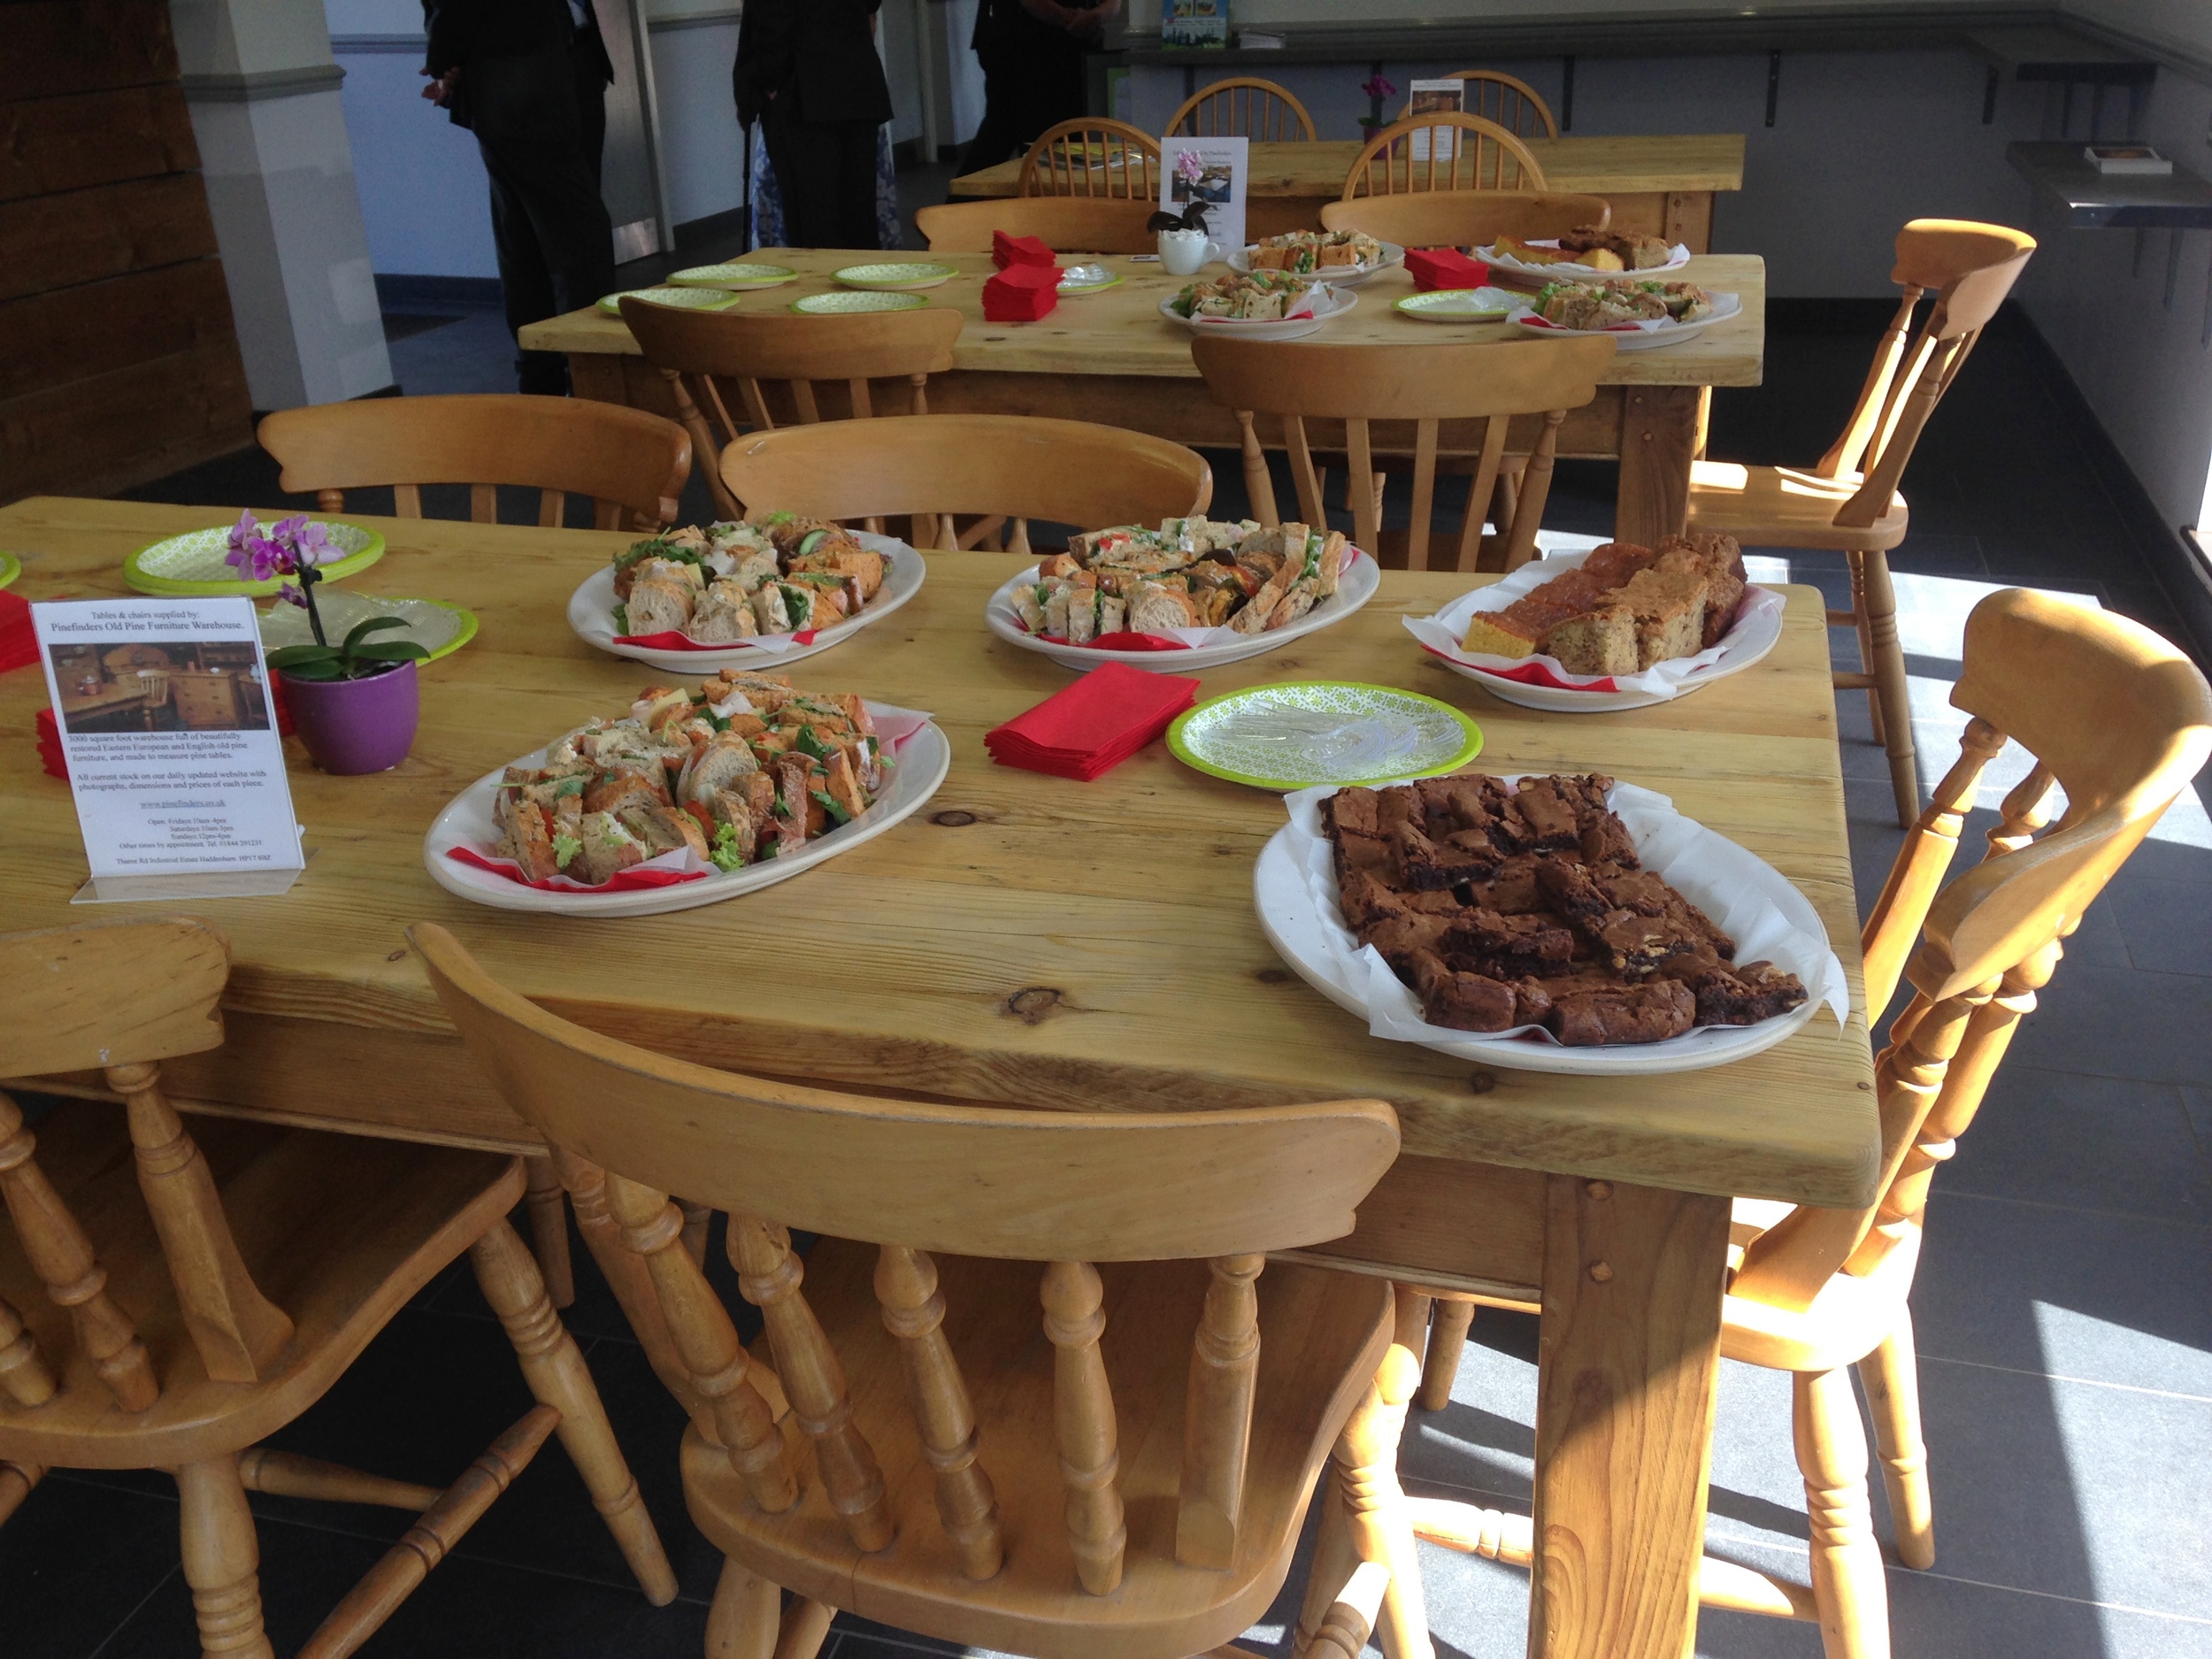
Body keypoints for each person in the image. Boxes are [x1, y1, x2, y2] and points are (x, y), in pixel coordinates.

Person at [422, 0, 616, 396]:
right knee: (579, 242)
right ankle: (592, 382)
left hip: (570, 63)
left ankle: (546, 378)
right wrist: (446, 56)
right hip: (518, 78)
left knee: (529, 240)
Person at [734, 0, 893, 250]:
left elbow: (772, 18)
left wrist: (768, 82)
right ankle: (863, 287)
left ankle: (825, 288)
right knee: (858, 218)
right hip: (858, 81)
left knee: (814, 223)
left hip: (804, 89)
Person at [956, 0, 1122, 179]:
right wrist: (1080, 20)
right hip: (1019, 42)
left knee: (1059, 133)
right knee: (1019, 132)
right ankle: (966, 200)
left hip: (1066, 43)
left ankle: (1052, 198)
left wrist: (1092, 17)